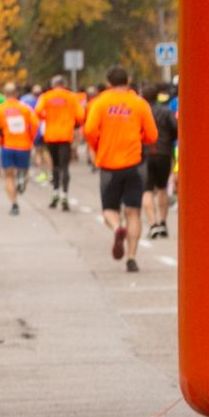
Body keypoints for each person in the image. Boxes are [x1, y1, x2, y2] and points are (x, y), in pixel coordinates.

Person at [83, 68, 157, 271]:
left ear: (108, 83)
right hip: (135, 163)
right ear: (129, 80)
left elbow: (89, 130)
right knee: (133, 212)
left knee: (109, 210)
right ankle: (131, 257)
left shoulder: (100, 103)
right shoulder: (139, 103)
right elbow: (152, 135)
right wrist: (140, 138)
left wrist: (98, 146)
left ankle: (117, 228)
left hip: (109, 164)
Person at [0, 84, 35, 215]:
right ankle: (22, 180)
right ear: (17, 94)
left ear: (5, 94)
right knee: (23, 170)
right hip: (24, 145)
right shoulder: (25, 108)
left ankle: (14, 204)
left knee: (8, 176)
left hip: (7, 146)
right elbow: (35, 124)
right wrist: (30, 137)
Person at [35, 76, 81, 211]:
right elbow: (80, 115)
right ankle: (65, 195)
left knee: (55, 165)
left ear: (52, 84)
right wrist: (72, 122)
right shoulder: (71, 97)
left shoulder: (46, 96)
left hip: (51, 135)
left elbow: (38, 111)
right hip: (66, 135)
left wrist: (47, 117)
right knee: (65, 167)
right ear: (64, 84)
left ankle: (55, 192)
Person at [143, 83, 179, 239]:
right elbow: (177, 129)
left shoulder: (141, 112)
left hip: (145, 155)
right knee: (162, 188)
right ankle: (163, 222)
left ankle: (153, 224)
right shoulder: (166, 111)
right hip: (164, 153)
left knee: (147, 190)